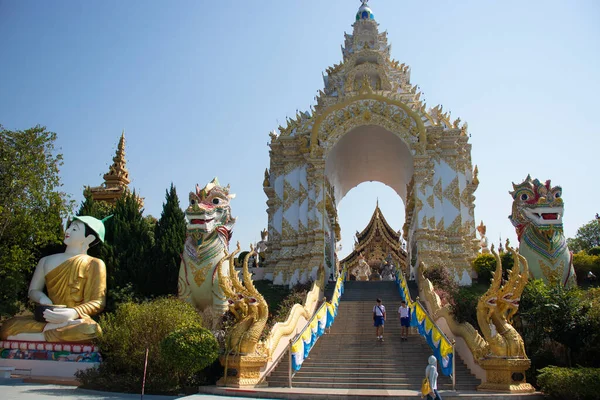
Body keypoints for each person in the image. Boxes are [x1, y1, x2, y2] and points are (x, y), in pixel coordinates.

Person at [0, 216, 109, 343]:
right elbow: (33, 290)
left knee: (92, 330)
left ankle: (42, 337)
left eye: (74, 229)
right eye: (69, 227)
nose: (67, 231)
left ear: (89, 238)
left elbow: (98, 302)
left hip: (74, 320)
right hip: (48, 317)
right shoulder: (46, 260)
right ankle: (52, 331)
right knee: (7, 327)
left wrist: (73, 312)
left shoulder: (94, 263)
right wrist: (43, 299)